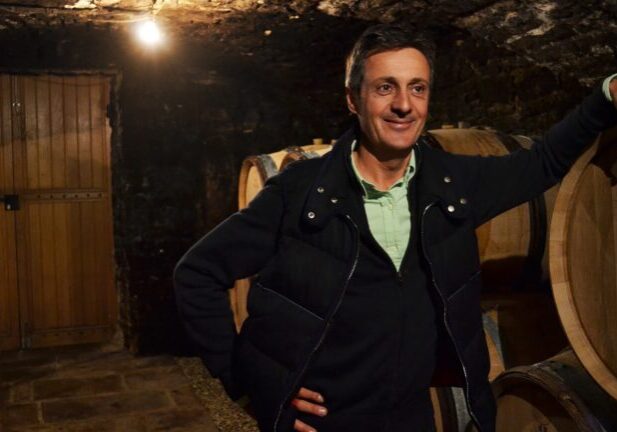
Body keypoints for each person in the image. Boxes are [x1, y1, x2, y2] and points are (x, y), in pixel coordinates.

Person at [174, 24, 617, 432]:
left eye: (417, 88)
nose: (404, 104)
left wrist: (606, 95)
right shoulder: (300, 194)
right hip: (327, 423)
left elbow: (543, 162)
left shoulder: (453, 185)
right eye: (386, 87)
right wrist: (248, 383)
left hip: (413, 418)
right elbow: (197, 274)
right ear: (353, 99)